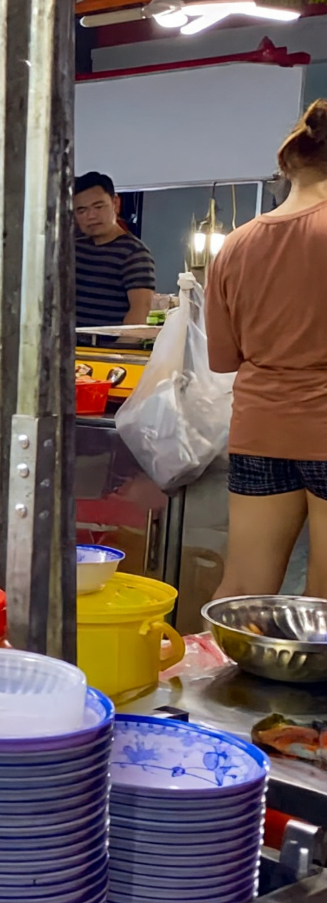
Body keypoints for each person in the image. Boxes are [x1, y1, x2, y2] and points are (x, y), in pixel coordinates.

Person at [207, 100, 327, 598]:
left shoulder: (236, 244)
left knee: (243, 590)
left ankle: (213, 653)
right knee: (322, 601)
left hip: (259, 428)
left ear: (288, 167)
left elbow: (223, 358)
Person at [73, 171, 158, 330]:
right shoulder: (72, 248)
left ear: (115, 203)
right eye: (81, 210)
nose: (91, 216)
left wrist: (122, 343)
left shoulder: (134, 253)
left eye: (99, 207)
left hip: (108, 344)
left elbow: (140, 310)